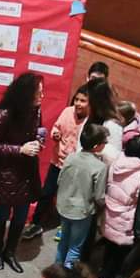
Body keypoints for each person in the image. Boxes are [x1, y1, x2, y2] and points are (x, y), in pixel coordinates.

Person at [0, 72, 44, 272]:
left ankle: (10, 252)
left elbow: (38, 131)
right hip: (7, 173)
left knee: (21, 216)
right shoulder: (3, 114)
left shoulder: (35, 111)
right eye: (39, 92)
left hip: (27, 172)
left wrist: (39, 141)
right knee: (2, 213)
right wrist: (20, 149)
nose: (41, 97)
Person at [32, 83, 89, 236]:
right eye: (76, 99)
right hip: (57, 161)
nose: (78, 103)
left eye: (83, 101)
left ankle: (63, 228)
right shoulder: (67, 111)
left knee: (68, 199)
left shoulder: (90, 121)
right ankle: (35, 224)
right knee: (47, 193)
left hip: (75, 168)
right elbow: (56, 128)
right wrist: (55, 134)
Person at [99, 134, 140, 278]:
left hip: (109, 212)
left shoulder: (116, 163)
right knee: (119, 253)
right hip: (125, 219)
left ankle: (102, 277)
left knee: (108, 247)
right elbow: (139, 199)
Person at [54, 124, 109, 269]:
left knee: (63, 241)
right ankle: (67, 276)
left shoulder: (71, 157)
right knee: (75, 247)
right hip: (82, 211)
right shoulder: (100, 167)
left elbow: (59, 180)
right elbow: (99, 195)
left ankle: (57, 270)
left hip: (63, 205)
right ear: (97, 145)